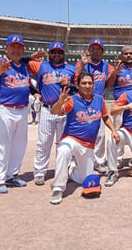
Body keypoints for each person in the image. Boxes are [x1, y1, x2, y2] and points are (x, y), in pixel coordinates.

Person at [49, 72, 120, 205]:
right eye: (84, 83)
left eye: (90, 83)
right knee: (64, 149)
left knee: (85, 180)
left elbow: (104, 116)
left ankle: (70, 171)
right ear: (78, 85)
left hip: (88, 145)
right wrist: (60, 101)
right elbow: (54, 112)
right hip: (72, 139)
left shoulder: (99, 99)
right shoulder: (71, 99)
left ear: (94, 85)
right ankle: (58, 188)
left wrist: (114, 130)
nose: (87, 86)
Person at [0, 34, 30, 194]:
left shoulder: (23, 65)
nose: (16, 50)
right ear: (6, 48)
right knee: (2, 145)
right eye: (13, 46)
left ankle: (11, 175)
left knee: (19, 144)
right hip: (5, 108)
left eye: (19, 47)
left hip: (22, 109)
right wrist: (0, 70)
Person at [28, 41, 76, 185]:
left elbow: (80, 87)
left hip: (65, 110)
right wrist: (34, 92)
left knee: (64, 143)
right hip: (47, 109)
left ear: (63, 53)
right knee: (44, 142)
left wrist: (69, 85)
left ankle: (64, 170)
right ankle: (40, 171)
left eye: (59, 52)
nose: (56, 54)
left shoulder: (71, 69)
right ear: (49, 53)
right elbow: (19, 66)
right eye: (53, 52)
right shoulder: (40, 65)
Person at [75, 38, 115, 174]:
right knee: (81, 131)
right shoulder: (83, 63)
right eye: (93, 49)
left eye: (98, 49)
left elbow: (109, 83)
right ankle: (79, 160)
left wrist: (115, 71)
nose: (95, 51)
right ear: (89, 50)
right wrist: (82, 64)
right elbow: (75, 80)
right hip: (81, 101)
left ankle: (99, 161)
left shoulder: (105, 66)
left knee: (100, 134)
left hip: (98, 101)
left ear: (102, 52)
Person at [106, 45, 132, 168]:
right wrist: (114, 73)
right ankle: (118, 158)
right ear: (121, 56)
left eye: (131, 53)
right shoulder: (117, 69)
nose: (128, 55)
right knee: (118, 131)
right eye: (125, 54)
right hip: (121, 104)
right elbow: (108, 85)